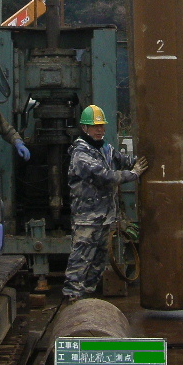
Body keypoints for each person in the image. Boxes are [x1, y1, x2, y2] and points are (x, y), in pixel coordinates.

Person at [63, 104, 147, 301]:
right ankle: (72, 298)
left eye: (101, 126)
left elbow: (123, 160)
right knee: (80, 259)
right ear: (85, 128)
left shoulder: (105, 149)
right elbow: (105, 176)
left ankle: (88, 295)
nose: (100, 130)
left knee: (99, 260)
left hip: (104, 217)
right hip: (87, 218)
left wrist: (140, 161)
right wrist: (133, 174)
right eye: (95, 127)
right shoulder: (81, 154)